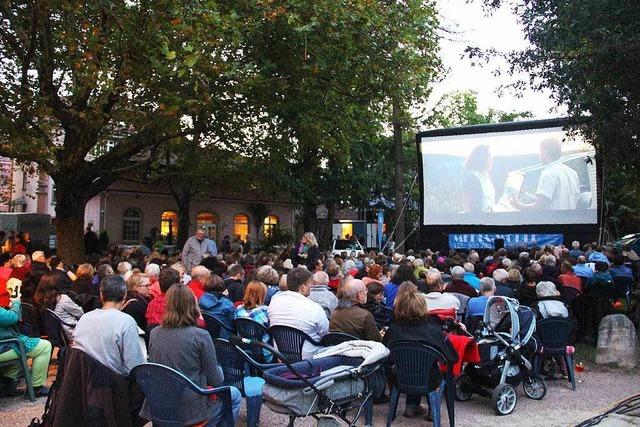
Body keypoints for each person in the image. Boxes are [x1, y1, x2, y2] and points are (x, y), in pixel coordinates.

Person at [143, 284, 242, 426]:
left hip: (161, 405)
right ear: (193, 305)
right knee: (234, 395)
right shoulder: (200, 336)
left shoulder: (155, 333)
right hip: (191, 410)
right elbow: (216, 380)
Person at [383, 285, 458, 418]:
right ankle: (431, 409)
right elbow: (452, 357)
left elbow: (384, 354)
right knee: (426, 368)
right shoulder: (433, 331)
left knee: (412, 365)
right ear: (423, 308)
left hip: (400, 378)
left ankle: (412, 406)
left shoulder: (393, 330)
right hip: (429, 380)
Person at [73, 275, 146, 376]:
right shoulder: (126, 322)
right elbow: (135, 366)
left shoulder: (84, 318)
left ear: (101, 295)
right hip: (114, 384)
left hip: (84, 380)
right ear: (125, 295)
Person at [0, 289, 52, 397]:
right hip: (5, 346)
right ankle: (36, 387)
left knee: (20, 348)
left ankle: (8, 384)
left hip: (5, 344)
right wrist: (16, 302)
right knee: (44, 346)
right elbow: (12, 318)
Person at [268, 267, 329, 359]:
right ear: (303, 287)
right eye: (309, 284)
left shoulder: (274, 301)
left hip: (281, 356)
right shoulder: (314, 308)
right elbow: (325, 334)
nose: (311, 286)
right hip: (310, 359)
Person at [511, 138, 580, 210]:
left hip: (554, 220)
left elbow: (540, 207)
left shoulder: (548, 173)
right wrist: (525, 195)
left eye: (540, 151)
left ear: (545, 152)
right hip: (571, 220)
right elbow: (555, 199)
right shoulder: (572, 173)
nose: (539, 155)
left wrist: (518, 206)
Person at [34, 272, 84, 340]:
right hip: (71, 333)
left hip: (54, 334)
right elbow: (80, 313)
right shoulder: (63, 299)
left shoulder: (39, 299)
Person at [234, 281, 271, 362]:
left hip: (245, 348)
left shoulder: (238, 309)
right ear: (263, 295)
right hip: (264, 350)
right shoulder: (265, 311)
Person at [463, 144, 495, 213]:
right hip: (478, 219)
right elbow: (466, 205)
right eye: (488, 155)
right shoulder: (471, 177)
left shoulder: (486, 175)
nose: (491, 158)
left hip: (490, 217)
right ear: (481, 158)